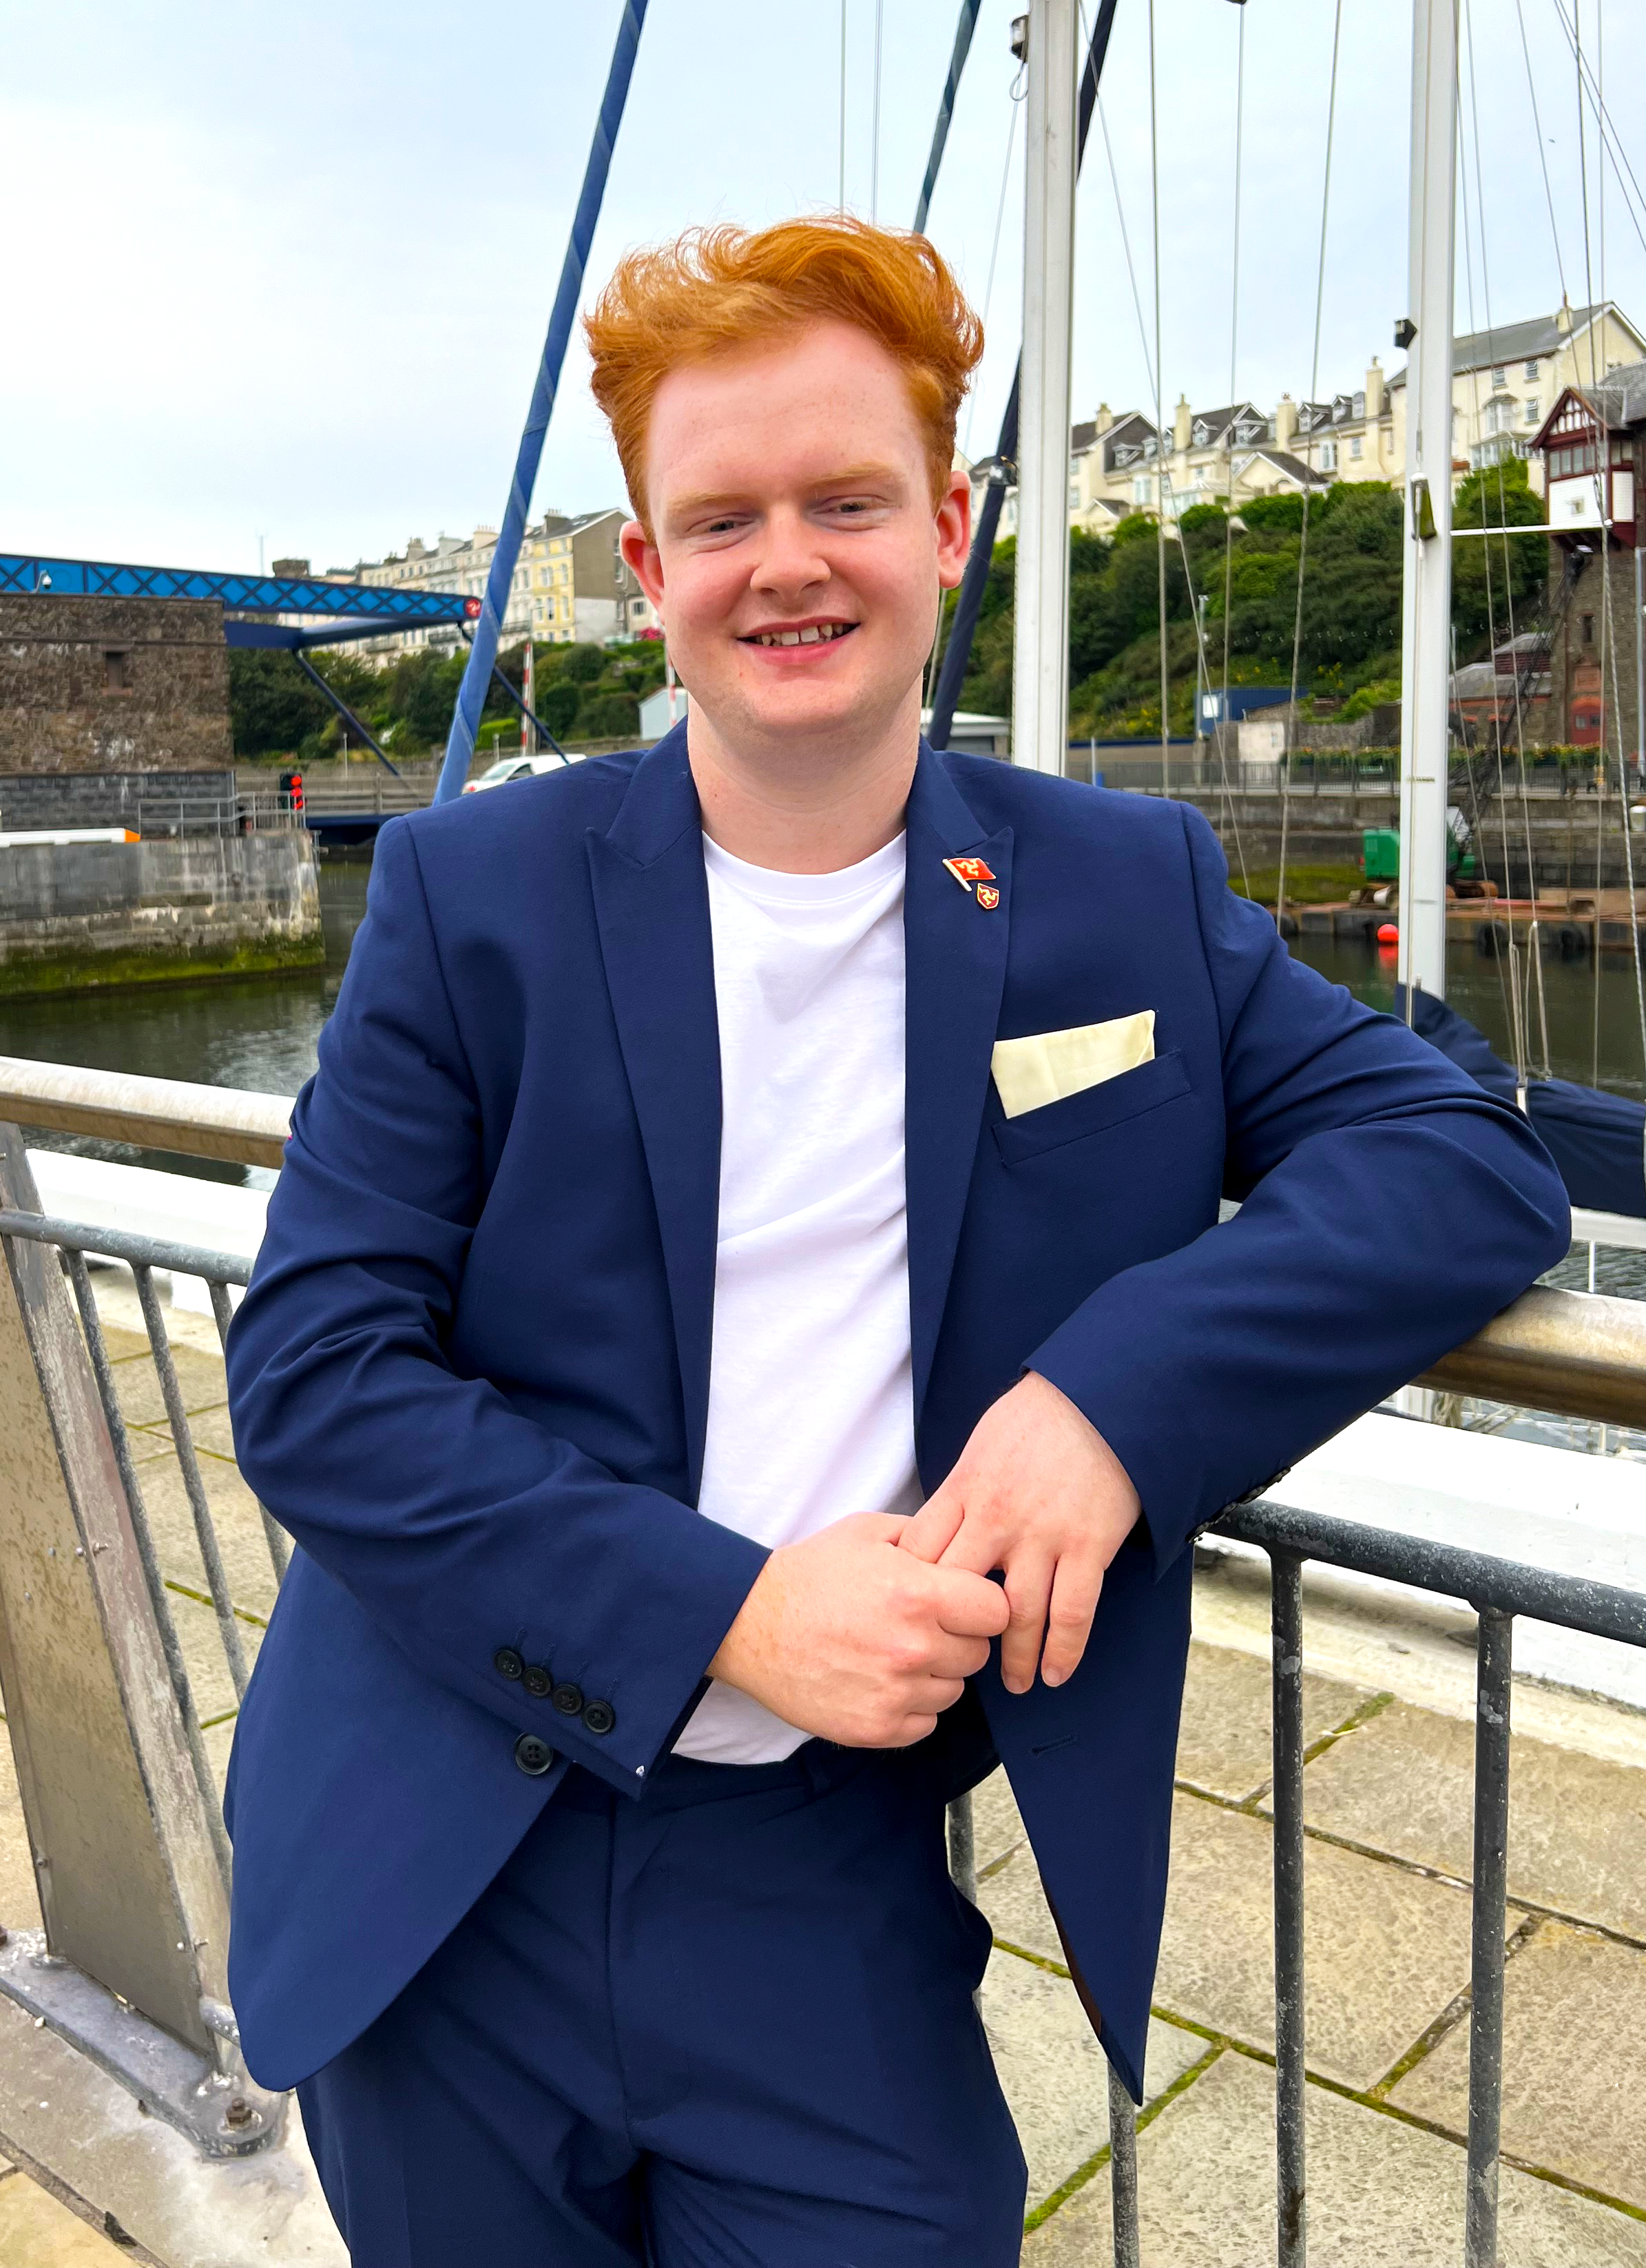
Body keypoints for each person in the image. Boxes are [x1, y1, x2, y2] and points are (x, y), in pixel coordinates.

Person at [223, 217, 1569, 2265]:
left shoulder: (1120, 888)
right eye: (723, 516)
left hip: (819, 1872)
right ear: (650, 569)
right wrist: (724, 1613)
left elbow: (1452, 1152)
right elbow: (319, 1376)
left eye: (846, 499)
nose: (790, 562)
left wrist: (1107, 1403)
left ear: (945, 525)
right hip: (444, 1848)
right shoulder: (465, 894)